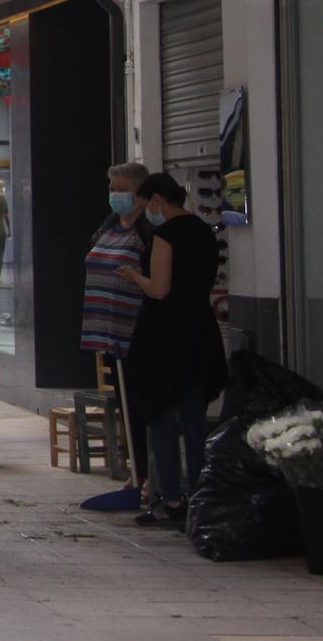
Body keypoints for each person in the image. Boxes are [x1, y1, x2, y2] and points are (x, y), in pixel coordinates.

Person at [119, 171, 227, 527]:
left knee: (163, 417)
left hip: (166, 339)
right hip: (199, 332)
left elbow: (159, 289)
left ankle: (172, 500)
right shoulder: (203, 231)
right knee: (195, 419)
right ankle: (201, 495)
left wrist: (134, 276)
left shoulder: (166, 236)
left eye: (144, 204)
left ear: (156, 201)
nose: (146, 212)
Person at [82, 161, 155, 502]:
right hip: (106, 328)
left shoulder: (148, 229)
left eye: (121, 188)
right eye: (111, 188)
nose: (114, 194)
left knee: (141, 402)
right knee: (125, 403)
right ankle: (135, 470)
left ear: (140, 193)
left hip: (136, 329)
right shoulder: (112, 223)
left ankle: (148, 473)